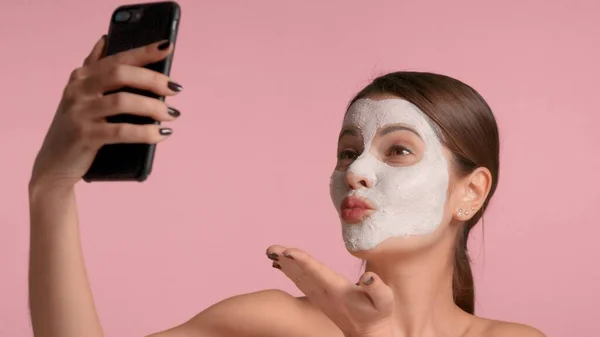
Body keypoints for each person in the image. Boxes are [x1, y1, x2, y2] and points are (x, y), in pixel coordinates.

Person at [28, 36, 546, 337]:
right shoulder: (264, 322)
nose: (356, 172)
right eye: (347, 151)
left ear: (471, 192)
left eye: (398, 150)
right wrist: (50, 188)